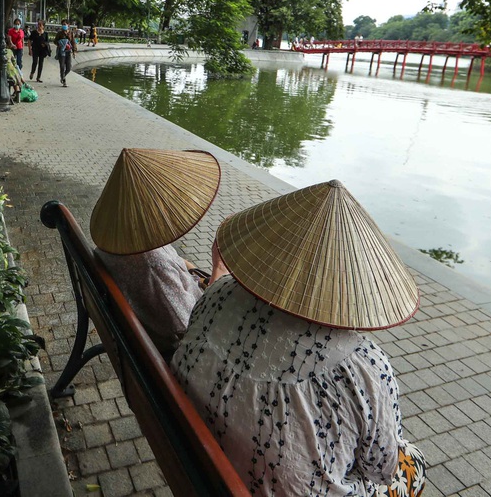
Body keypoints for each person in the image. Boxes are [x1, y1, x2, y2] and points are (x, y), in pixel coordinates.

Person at [172, 180, 425, 497]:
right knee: (413, 465)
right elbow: (382, 467)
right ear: (356, 285)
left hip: (195, 462)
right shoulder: (363, 366)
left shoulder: (218, 294)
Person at [91, 148, 222, 356]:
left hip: (137, 329)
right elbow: (192, 324)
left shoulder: (119, 236)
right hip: (174, 355)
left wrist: (190, 268)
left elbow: (173, 266)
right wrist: (218, 271)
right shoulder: (153, 265)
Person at [54, 20, 77, 87]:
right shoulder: (59, 33)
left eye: (65, 24)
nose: (64, 25)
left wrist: (74, 51)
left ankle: (63, 76)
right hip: (61, 52)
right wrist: (60, 44)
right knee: (62, 66)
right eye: (63, 24)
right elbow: (55, 41)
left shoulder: (70, 33)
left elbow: (73, 42)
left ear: (68, 25)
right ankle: (64, 80)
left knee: (69, 67)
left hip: (68, 52)